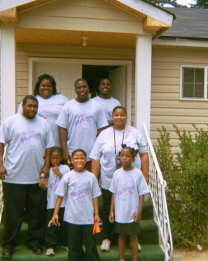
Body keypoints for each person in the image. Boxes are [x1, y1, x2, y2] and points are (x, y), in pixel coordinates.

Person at [0, 95, 54, 258]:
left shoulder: (44, 123)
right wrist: (0, 165)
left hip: (37, 177)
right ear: (22, 106)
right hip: (14, 176)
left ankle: (35, 242)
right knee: (13, 215)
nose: (32, 109)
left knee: (36, 214)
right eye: (29, 106)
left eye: (35, 106)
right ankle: (9, 245)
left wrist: (47, 166)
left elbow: (48, 148)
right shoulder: (10, 122)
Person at [90, 106, 149, 252]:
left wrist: (145, 175)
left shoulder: (134, 133)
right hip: (109, 178)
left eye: (122, 115)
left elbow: (144, 154)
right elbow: (95, 157)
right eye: (116, 115)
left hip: (130, 179)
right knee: (107, 208)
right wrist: (93, 179)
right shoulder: (104, 135)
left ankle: (132, 237)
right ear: (112, 117)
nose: (119, 117)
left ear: (126, 116)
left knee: (132, 206)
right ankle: (107, 237)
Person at [49, 149, 101, 261]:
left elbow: (95, 196)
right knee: (74, 246)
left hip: (87, 218)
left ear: (86, 160)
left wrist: (96, 213)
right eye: (76, 158)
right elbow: (60, 196)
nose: (79, 160)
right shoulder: (67, 177)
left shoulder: (91, 177)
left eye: (82, 158)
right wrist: (55, 213)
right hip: (72, 217)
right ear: (71, 160)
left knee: (90, 244)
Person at [56, 78, 108, 171]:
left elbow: (101, 129)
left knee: (90, 181)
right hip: (73, 153)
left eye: (84, 87)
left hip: (92, 153)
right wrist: (65, 151)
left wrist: (99, 149)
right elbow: (62, 129)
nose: (82, 89)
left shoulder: (97, 106)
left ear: (88, 88)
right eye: (79, 87)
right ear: (75, 90)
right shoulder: (68, 106)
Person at [109, 145, 150, 261]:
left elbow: (142, 194)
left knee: (133, 237)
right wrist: (112, 211)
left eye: (128, 156)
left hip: (132, 212)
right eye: (122, 155)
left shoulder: (137, 174)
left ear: (133, 158)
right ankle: (121, 259)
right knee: (121, 236)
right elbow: (113, 193)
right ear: (119, 157)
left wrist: (139, 211)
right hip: (120, 212)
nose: (124, 158)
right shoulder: (117, 174)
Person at [18, 74, 69, 147]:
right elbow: (20, 120)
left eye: (49, 86)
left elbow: (71, 118)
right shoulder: (31, 100)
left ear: (53, 87)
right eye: (43, 85)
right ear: (38, 86)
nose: (46, 88)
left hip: (57, 144)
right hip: (34, 143)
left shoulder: (62, 99)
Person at [38, 146, 70, 257]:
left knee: (65, 225)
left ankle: (65, 243)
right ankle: (50, 246)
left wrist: (59, 173)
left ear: (61, 158)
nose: (55, 160)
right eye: (53, 158)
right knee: (51, 225)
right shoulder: (47, 170)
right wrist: (41, 185)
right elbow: (46, 188)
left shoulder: (65, 168)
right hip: (51, 202)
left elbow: (69, 183)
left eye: (57, 158)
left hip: (64, 203)